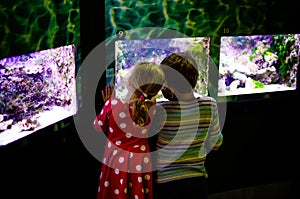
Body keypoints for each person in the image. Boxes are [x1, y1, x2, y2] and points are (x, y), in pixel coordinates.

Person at [153, 52, 223, 199]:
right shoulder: (209, 105)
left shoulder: (160, 111)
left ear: (170, 87)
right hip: (196, 181)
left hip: (167, 182)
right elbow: (216, 143)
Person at [93, 62, 165, 199]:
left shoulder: (113, 105)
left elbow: (97, 126)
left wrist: (107, 104)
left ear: (130, 81)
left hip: (116, 162)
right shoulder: (153, 110)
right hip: (141, 162)